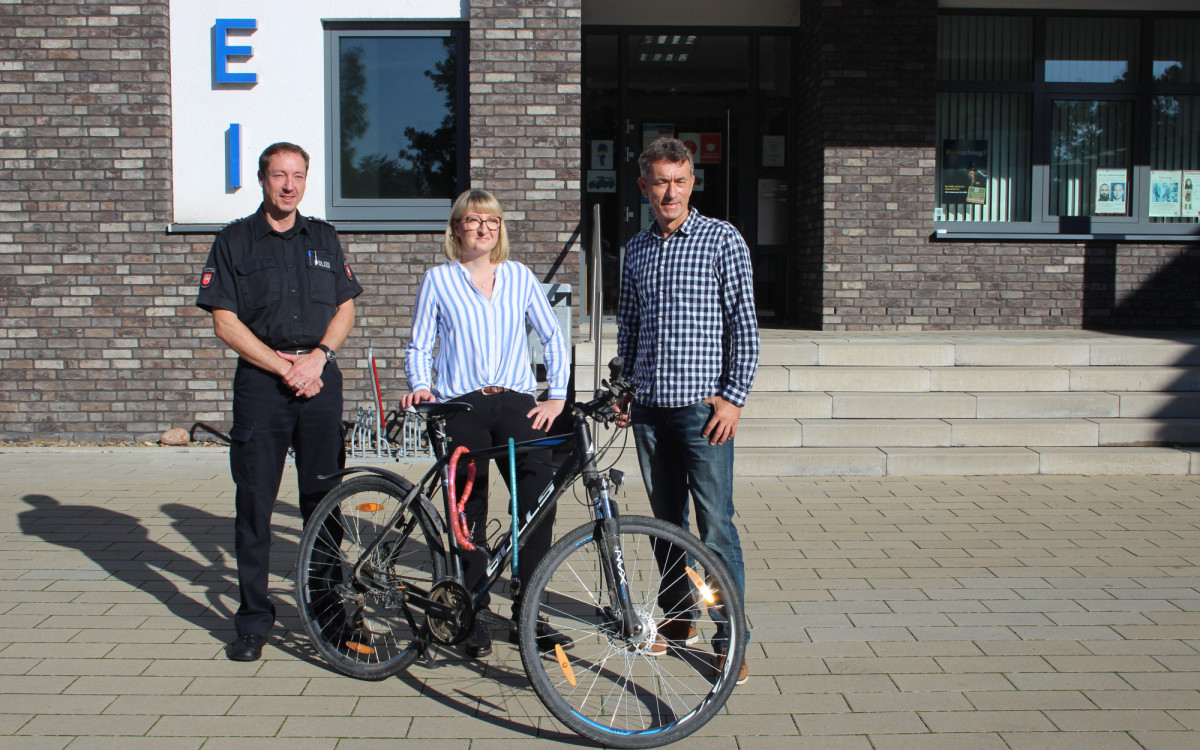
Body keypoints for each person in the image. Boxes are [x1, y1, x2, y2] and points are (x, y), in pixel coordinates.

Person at [196, 142, 363, 662]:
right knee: (255, 506)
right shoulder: (234, 241)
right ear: (262, 180)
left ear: (306, 180)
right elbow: (225, 321)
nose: (288, 185)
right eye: (278, 175)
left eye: (297, 175)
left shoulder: (325, 238)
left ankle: (329, 611)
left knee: (324, 505)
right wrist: (284, 366)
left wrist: (317, 359)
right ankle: (252, 620)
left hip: (318, 383)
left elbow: (345, 309)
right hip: (262, 388)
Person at [402, 188, 571, 659]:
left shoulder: (518, 277)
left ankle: (528, 613)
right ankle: (469, 610)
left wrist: (556, 394)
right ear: (456, 228)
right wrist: (421, 385)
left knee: (539, 500)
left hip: (517, 403)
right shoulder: (438, 280)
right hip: (463, 406)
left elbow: (552, 336)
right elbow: (419, 345)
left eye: (492, 222)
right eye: (474, 221)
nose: (484, 229)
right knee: (468, 509)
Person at [616, 137, 759, 685]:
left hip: (704, 410)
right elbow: (628, 326)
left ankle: (731, 637)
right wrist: (625, 386)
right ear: (644, 186)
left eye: (679, 181)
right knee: (664, 524)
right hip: (650, 409)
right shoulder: (637, 250)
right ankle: (680, 620)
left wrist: (733, 397)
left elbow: (744, 328)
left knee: (716, 527)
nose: (669, 191)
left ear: (692, 182)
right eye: (659, 181)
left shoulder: (723, 240)